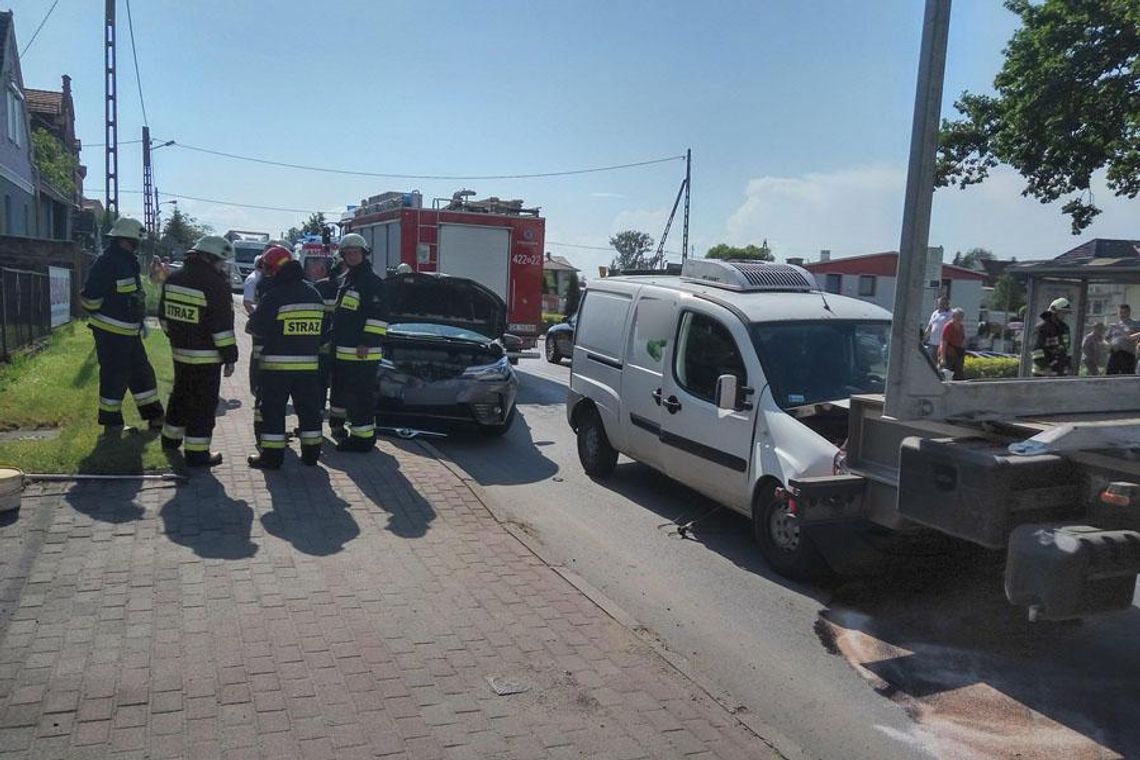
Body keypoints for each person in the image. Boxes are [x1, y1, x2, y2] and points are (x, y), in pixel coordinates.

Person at [79, 217, 165, 435]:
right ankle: (112, 424)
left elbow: (132, 294)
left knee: (142, 373)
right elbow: (90, 298)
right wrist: (109, 312)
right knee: (114, 377)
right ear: (127, 239)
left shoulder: (127, 261)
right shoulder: (106, 262)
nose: (137, 245)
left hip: (129, 331)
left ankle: (155, 417)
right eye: (136, 240)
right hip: (111, 333)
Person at [158, 236, 238, 467]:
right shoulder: (215, 284)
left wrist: (177, 339)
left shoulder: (173, 278)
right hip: (207, 357)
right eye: (220, 262)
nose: (222, 266)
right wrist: (230, 357)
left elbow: (164, 318)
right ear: (209, 257)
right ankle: (197, 453)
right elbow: (221, 328)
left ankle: (170, 440)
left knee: (180, 396)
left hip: (180, 353)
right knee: (203, 405)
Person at [245, 254, 325, 469]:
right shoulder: (314, 294)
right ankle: (311, 455)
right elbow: (326, 329)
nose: (268, 274)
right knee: (309, 411)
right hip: (308, 367)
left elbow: (256, 328)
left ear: (277, 269)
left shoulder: (275, 296)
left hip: (276, 367)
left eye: (270, 270)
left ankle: (271, 458)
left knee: (273, 411)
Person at [329, 233, 386, 452]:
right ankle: (355, 432)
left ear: (364, 254)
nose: (352, 256)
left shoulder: (372, 282)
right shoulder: (347, 279)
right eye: (348, 253)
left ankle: (362, 439)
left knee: (360, 397)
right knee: (347, 395)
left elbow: (378, 317)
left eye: (356, 252)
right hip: (344, 352)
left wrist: (367, 342)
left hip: (362, 353)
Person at [249, 245, 292, 437]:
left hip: (263, 347)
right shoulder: (274, 287)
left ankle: (263, 431)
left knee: (264, 394)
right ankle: (266, 431)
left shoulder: (264, 284)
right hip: (273, 349)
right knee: (270, 396)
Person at [313, 253, 344, 430]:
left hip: (321, 347)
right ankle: (337, 426)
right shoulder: (349, 287)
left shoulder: (320, 286)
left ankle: (315, 423)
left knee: (319, 387)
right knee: (338, 388)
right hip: (339, 348)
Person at [1031, 297, 1073, 376]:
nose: (1064, 315)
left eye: (1066, 313)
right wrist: (1045, 367)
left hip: (1060, 371)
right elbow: (1036, 350)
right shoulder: (1042, 328)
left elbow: (1067, 349)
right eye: (1063, 312)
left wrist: (1069, 365)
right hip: (1042, 373)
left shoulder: (1064, 328)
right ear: (1054, 312)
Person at [1104, 304, 1139, 375]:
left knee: (1127, 375)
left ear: (1129, 312)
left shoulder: (1135, 324)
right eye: (1120, 312)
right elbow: (1106, 338)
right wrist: (1107, 345)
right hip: (1114, 353)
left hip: (1127, 353)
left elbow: (1131, 337)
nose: (1122, 315)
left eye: (1124, 312)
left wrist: (1120, 329)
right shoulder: (1114, 326)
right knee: (1110, 374)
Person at [939, 307, 967, 381]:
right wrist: (942, 358)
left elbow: (963, 339)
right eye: (958, 316)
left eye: (961, 317)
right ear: (953, 316)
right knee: (946, 374)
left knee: (959, 375)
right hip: (949, 354)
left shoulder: (961, 327)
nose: (959, 318)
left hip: (958, 354)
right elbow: (943, 342)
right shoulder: (948, 327)